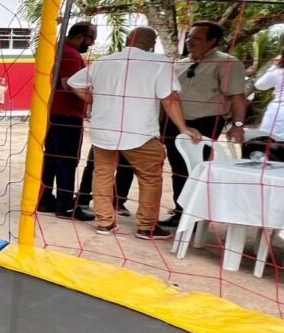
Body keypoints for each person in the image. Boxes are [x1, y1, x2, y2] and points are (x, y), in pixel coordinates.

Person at [67, 27, 200, 239]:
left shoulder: (105, 61)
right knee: (150, 178)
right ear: (152, 44)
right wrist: (183, 127)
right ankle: (147, 226)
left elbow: (74, 82)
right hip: (140, 132)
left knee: (102, 174)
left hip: (104, 129)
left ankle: (104, 223)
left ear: (128, 41)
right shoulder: (159, 62)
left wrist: (94, 99)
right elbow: (169, 98)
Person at [160, 21, 248, 229]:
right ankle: (181, 211)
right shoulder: (180, 63)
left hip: (206, 122)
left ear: (212, 41)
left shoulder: (227, 63)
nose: (190, 42)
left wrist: (237, 124)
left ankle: (195, 216)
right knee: (178, 168)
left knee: (197, 168)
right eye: (190, 37)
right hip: (176, 123)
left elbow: (237, 97)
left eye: (197, 38)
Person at [37, 23, 97, 220]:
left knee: (52, 159)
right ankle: (65, 205)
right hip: (68, 115)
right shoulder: (71, 54)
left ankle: (45, 199)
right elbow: (68, 83)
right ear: (80, 36)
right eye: (91, 40)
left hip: (55, 113)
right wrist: (92, 99)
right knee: (67, 161)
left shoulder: (57, 49)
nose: (91, 44)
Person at [244, 49, 284, 159]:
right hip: (279, 110)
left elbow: (260, 85)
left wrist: (273, 66)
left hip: (279, 111)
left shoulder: (278, 72)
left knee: (268, 142)